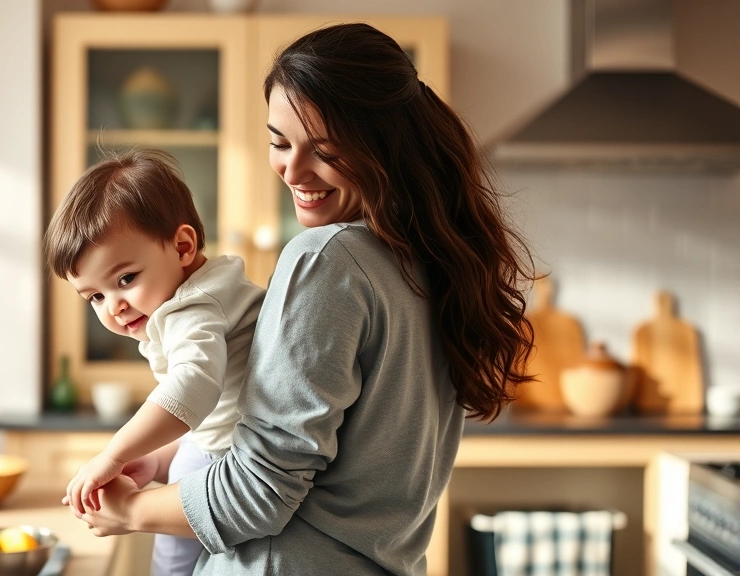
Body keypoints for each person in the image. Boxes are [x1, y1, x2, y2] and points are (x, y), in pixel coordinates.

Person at [67, 22, 536, 575]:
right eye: (278, 142)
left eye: (326, 151)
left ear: (380, 147)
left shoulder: (326, 258)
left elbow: (258, 493)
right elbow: (317, 457)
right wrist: (166, 457)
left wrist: (130, 510)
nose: (292, 170)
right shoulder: (431, 265)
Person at [43, 148, 265, 576]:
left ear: (183, 247)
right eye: (95, 296)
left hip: (222, 461)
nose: (114, 307)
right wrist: (158, 459)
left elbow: (192, 389)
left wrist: (113, 454)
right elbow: (220, 407)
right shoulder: (212, 288)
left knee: (170, 563)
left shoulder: (193, 309)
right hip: (213, 445)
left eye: (125, 279)